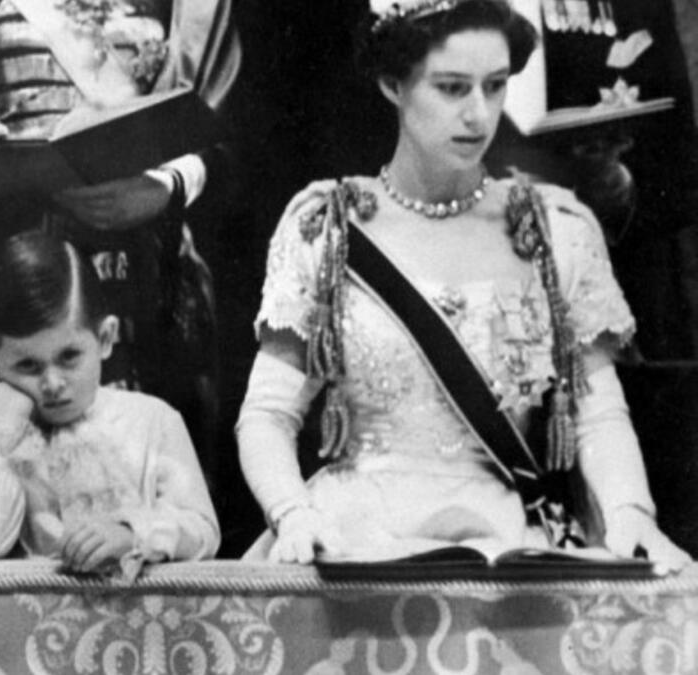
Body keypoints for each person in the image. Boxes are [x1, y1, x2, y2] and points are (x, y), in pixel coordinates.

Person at [236, 0, 690, 571]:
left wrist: (630, 514)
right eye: (451, 88)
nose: (479, 114)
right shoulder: (325, 226)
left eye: (495, 86)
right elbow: (266, 416)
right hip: (353, 540)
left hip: (505, 542)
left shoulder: (554, 231)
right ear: (391, 83)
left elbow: (598, 412)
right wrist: (292, 514)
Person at [0, 0, 240, 470]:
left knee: (156, 484)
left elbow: (229, 129)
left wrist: (169, 185)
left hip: (155, 279)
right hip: (19, 276)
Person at [0, 230, 219, 578]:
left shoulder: (152, 420)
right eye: (28, 366)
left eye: (69, 357)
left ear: (105, 338)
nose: (53, 383)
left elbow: (203, 530)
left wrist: (133, 533)